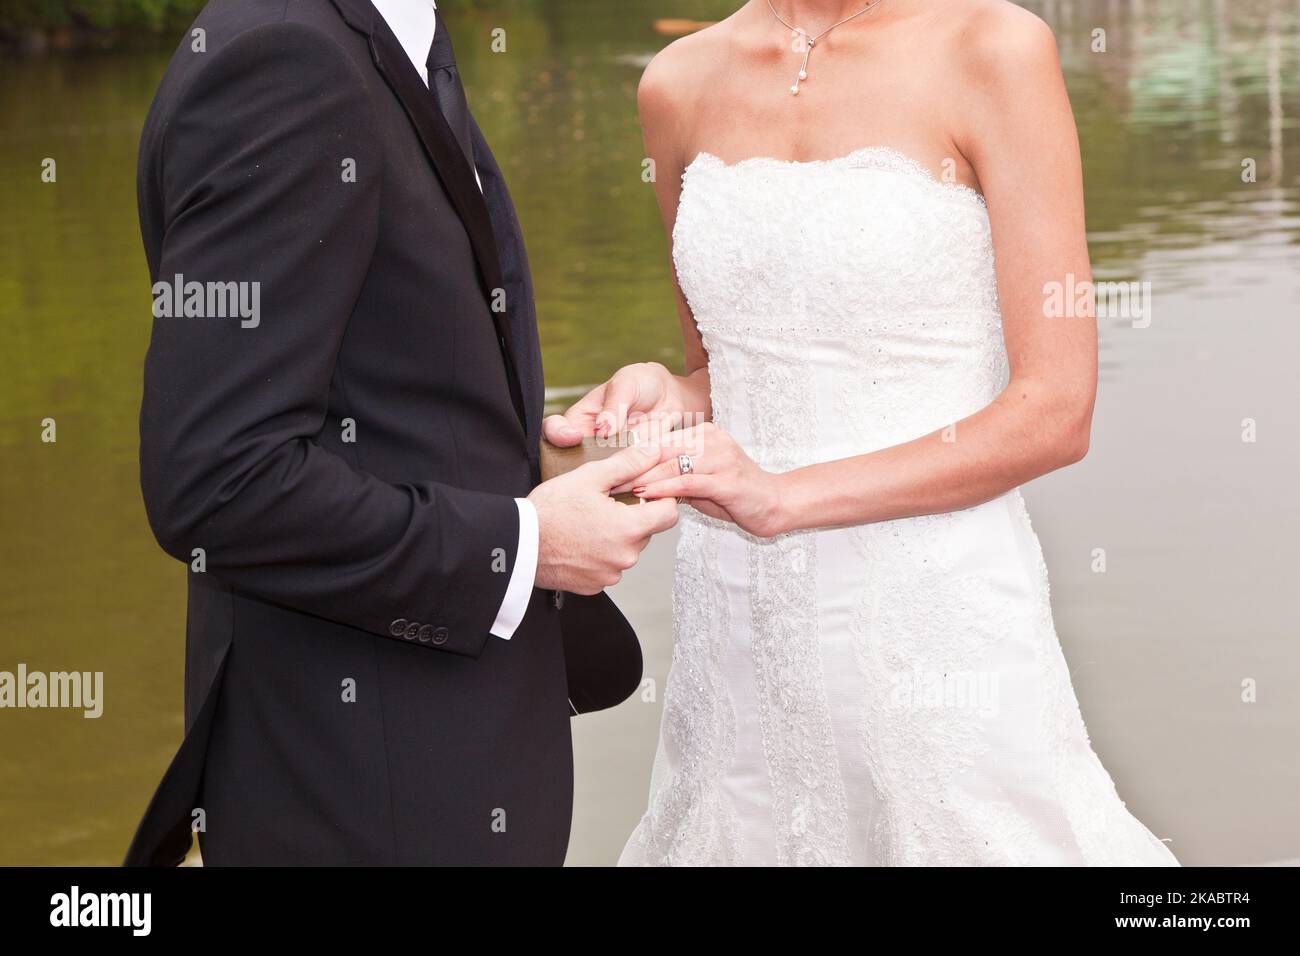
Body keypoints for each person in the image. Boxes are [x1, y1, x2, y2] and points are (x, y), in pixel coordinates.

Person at [547, 0, 1180, 866]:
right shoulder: (677, 82)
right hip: (739, 621)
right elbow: (726, 374)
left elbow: (1054, 413)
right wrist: (670, 395)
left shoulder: (993, 47)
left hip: (937, 612)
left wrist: (782, 499)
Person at [126, 0, 676, 866]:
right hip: (366, 795)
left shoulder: (382, 39)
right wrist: (527, 544)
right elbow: (218, 480)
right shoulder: (283, 61)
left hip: (435, 772)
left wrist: (522, 444)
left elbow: (361, 385)